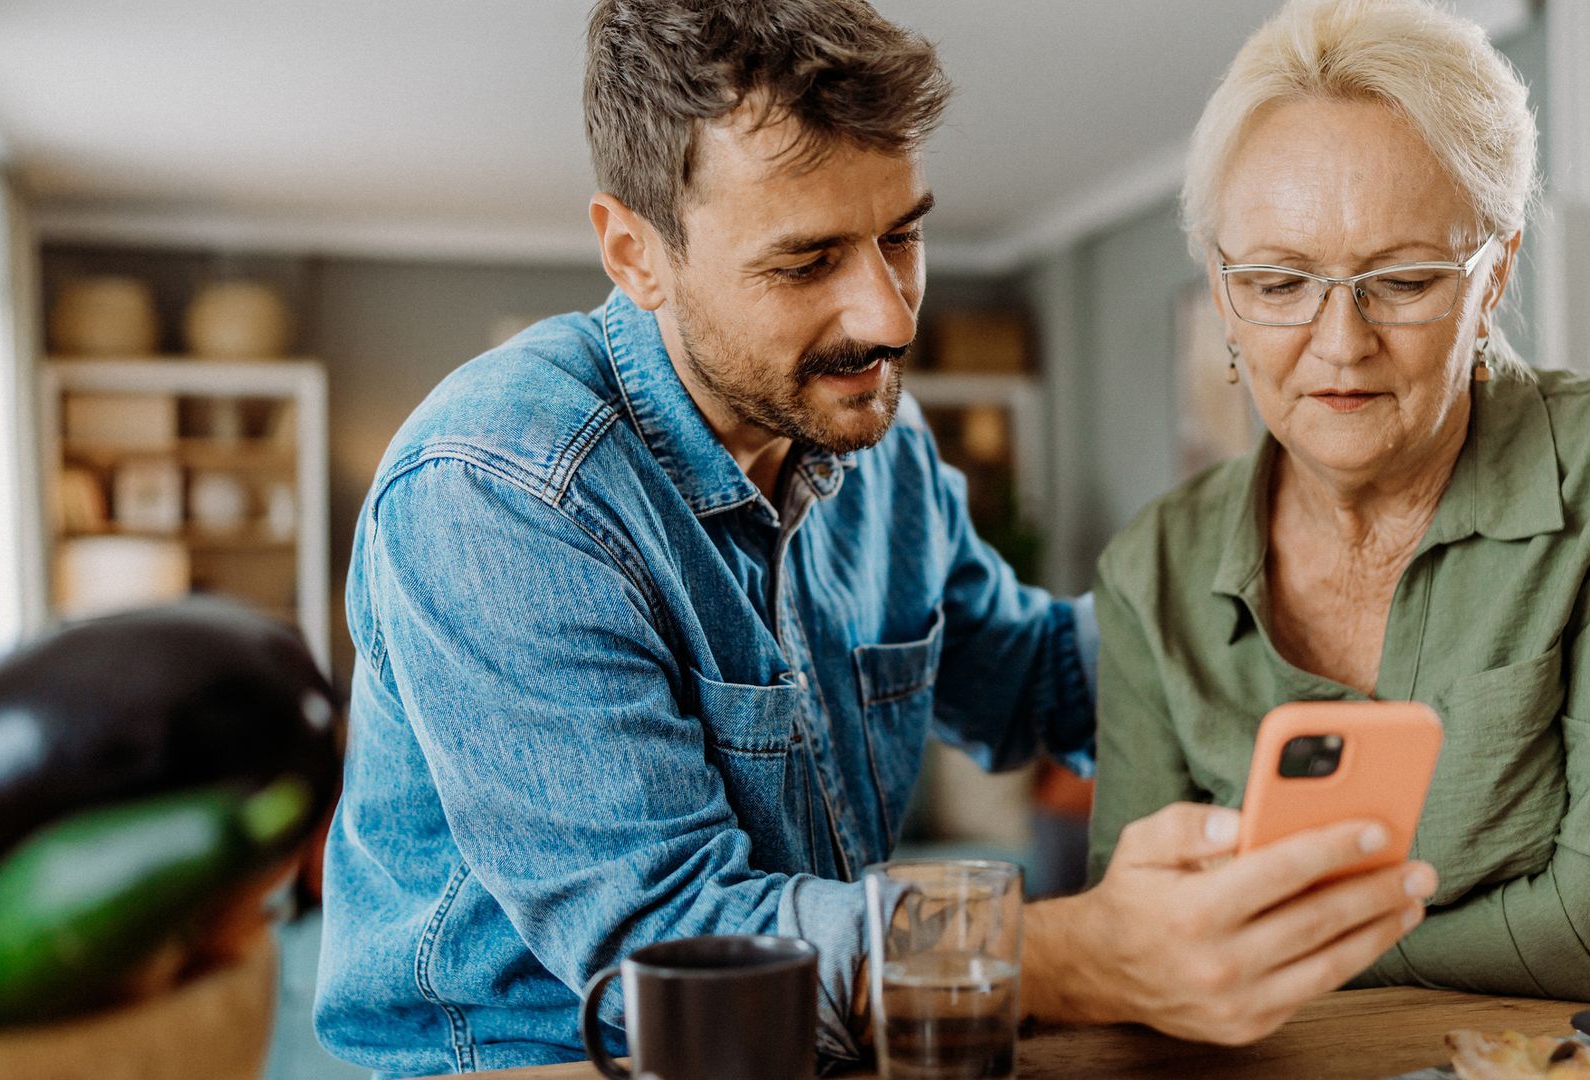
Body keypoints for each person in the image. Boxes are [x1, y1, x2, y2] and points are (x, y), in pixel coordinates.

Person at [315, 1, 1437, 1075]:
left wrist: (1329, 588)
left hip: (824, 1046)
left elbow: (1036, 676)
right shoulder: (502, 491)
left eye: (902, 236)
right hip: (549, 1064)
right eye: (806, 262)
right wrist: (1079, 954)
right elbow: (672, 946)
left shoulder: (874, 449)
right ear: (634, 252)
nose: (890, 317)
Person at [1089, 0, 1590, 1003]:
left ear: (1495, 273)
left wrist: (1282, 956)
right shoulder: (1152, 566)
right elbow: (1144, 925)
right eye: (1279, 283)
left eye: (1402, 282)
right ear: (1221, 287)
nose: (1339, 342)